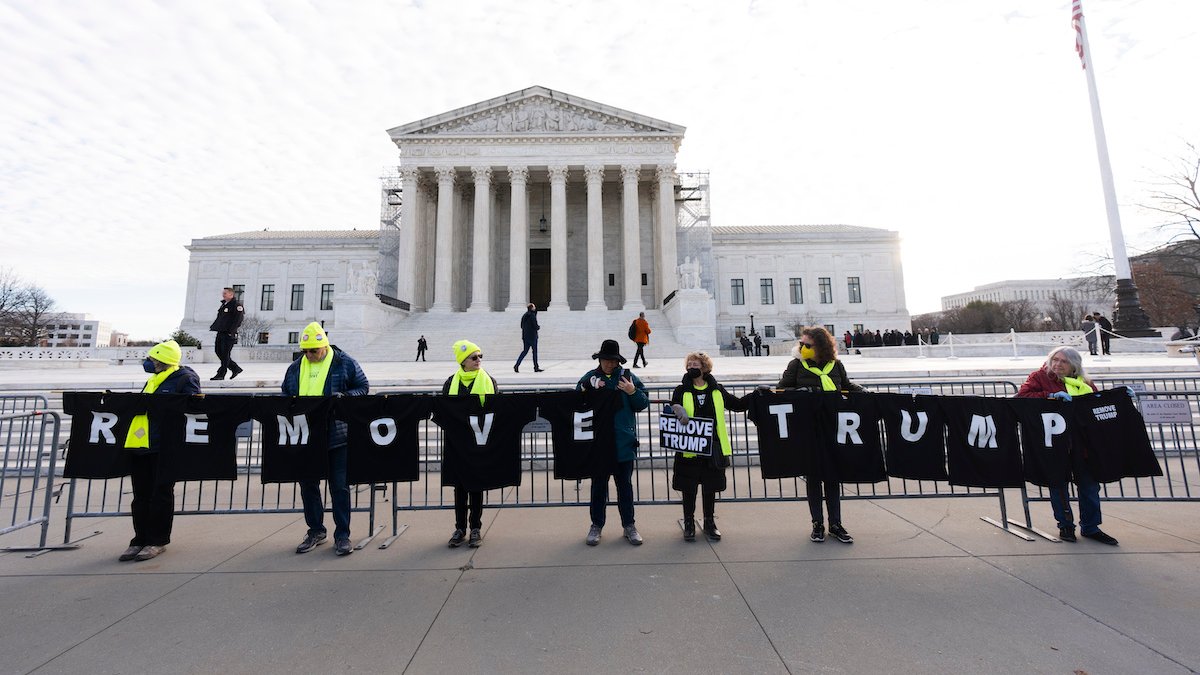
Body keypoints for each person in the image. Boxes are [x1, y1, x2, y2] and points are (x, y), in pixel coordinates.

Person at [1016, 346, 1118, 545]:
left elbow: (1095, 403)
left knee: (1089, 487)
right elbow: (1022, 397)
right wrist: (1049, 396)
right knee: (1059, 487)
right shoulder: (1039, 377)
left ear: (1074, 365)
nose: (1057, 364)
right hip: (1055, 444)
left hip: (1082, 444)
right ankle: (1065, 526)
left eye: (1063, 361)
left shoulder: (1084, 382)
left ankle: (1091, 526)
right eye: (1055, 360)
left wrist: (1117, 397)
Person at [283, 322, 370, 556]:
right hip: (307, 437)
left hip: (337, 435)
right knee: (308, 486)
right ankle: (315, 531)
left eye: (314, 351)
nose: (309, 355)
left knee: (339, 487)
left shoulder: (344, 362)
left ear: (324, 346)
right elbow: (285, 394)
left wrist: (343, 397)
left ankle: (342, 535)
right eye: (305, 351)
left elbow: (363, 387)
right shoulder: (295, 368)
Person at [777, 326, 863, 545]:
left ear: (821, 346)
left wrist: (862, 392)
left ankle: (836, 524)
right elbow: (781, 389)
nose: (802, 347)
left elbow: (845, 386)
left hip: (832, 426)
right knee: (814, 477)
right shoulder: (797, 365)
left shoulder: (836, 365)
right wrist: (801, 393)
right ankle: (817, 523)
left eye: (807, 345)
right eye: (801, 344)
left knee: (832, 477)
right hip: (808, 428)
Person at [119, 340, 201, 562]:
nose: (147, 362)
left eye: (151, 359)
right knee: (141, 496)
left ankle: (157, 540)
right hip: (141, 444)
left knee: (160, 494)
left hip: (165, 446)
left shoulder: (185, 378)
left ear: (163, 360)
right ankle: (139, 539)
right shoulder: (153, 380)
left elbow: (193, 408)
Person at [577, 339, 649, 546]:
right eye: (606, 360)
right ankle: (596, 525)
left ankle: (629, 525)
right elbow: (576, 400)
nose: (609, 364)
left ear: (618, 361)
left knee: (624, 486)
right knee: (598, 487)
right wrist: (586, 387)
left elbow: (642, 403)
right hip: (599, 443)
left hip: (623, 441)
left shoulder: (628, 377)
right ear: (600, 360)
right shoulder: (590, 377)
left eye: (612, 360)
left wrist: (632, 391)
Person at [669, 352, 747, 541]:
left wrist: (758, 396)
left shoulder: (717, 389)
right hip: (689, 447)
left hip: (712, 446)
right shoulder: (681, 390)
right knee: (688, 488)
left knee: (710, 487)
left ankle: (709, 522)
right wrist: (676, 408)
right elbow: (672, 409)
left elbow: (736, 404)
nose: (691, 367)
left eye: (695, 364)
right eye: (689, 364)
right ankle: (689, 522)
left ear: (704, 368)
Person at [443, 339, 498, 548]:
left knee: (476, 485)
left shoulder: (489, 380)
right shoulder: (451, 382)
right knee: (459, 487)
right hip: (457, 443)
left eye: (480, 356)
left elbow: (496, 408)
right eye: (474, 357)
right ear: (463, 361)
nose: (478, 360)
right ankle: (460, 528)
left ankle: (475, 528)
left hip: (478, 441)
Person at [208, 287, 244, 380]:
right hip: (221, 332)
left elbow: (238, 320)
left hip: (228, 333)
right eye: (223, 293)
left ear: (231, 294)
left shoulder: (237, 305)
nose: (223, 295)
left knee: (225, 354)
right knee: (218, 351)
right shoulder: (224, 305)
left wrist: (231, 332)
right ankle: (235, 368)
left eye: (225, 293)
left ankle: (221, 374)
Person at [514, 303, 543, 373]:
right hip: (533, 337)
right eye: (534, 307)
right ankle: (536, 367)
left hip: (525, 337)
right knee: (534, 352)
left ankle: (517, 365)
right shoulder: (532, 315)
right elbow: (535, 326)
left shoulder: (524, 315)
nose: (535, 308)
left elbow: (521, 326)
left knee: (524, 351)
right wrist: (538, 327)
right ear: (532, 308)